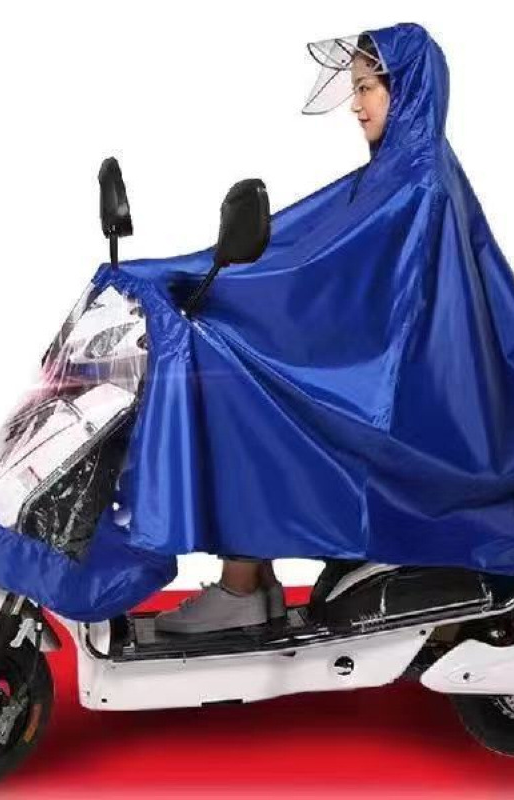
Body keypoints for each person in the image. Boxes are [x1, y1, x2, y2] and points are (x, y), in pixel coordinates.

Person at [154, 34, 392, 635]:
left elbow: (315, 267)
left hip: (383, 380)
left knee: (240, 391)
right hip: (371, 365)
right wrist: (189, 277)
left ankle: (242, 586)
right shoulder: (393, 175)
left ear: (404, 91)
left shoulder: (413, 182)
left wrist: (189, 280)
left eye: (366, 88)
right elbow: (309, 254)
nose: (355, 104)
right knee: (233, 374)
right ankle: (253, 579)